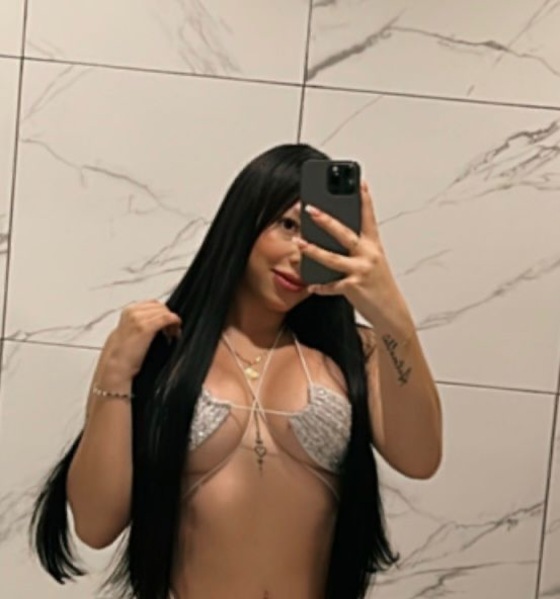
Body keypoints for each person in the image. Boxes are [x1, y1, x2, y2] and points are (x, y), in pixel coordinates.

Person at [29, 144, 443, 599]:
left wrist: (390, 313)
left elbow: (420, 459)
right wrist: (113, 373)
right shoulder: (165, 350)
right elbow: (95, 525)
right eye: (288, 226)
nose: (299, 254)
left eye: (318, 235)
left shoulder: (355, 353)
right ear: (244, 220)